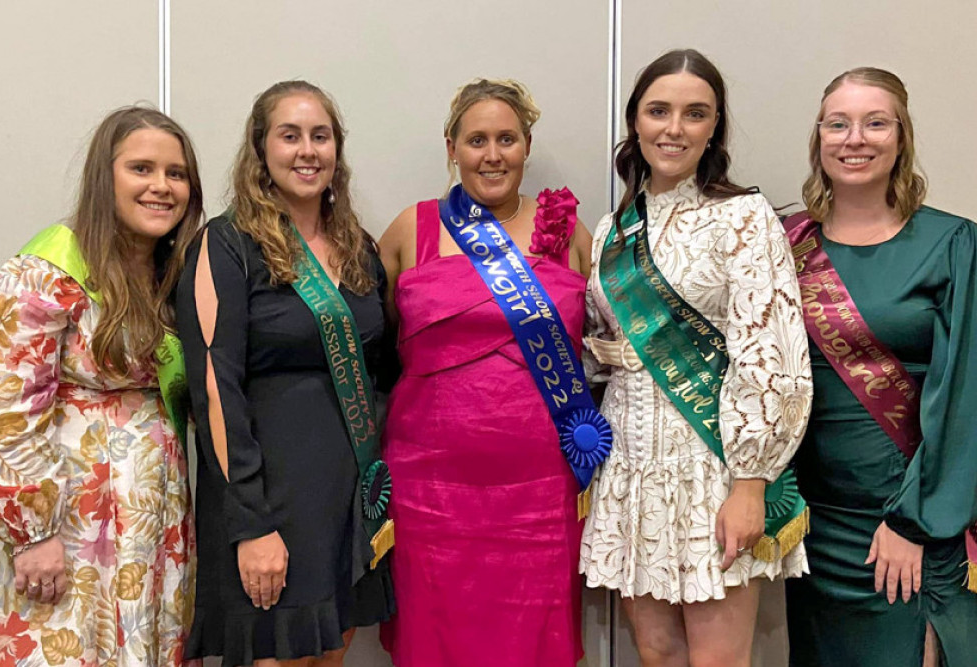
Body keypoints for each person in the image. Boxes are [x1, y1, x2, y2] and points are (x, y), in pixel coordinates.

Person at [579, 49, 813, 667]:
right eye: (659, 111)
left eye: (694, 113)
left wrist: (750, 482)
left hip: (713, 466)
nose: (673, 128)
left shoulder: (743, 218)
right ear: (635, 121)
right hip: (631, 463)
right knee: (656, 652)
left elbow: (773, 354)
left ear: (715, 128)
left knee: (717, 659)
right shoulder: (613, 230)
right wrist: (602, 353)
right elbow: (601, 345)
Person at [378, 78, 596, 667]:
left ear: (527, 146)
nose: (492, 155)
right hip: (430, 489)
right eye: (477, 140)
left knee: (535, 639)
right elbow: (373, 351)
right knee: (436, 640)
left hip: (541, 489)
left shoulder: (569, 233)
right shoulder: (410, 230)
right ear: (451, 147)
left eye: (507, 139)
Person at [176, 80, 395, 667]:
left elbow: (384, 368)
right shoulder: (224, 246)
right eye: (290, 135)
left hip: (346, 501)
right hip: (269, 503)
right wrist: (251, 525)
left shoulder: (358, 248)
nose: (307, 151)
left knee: (331, 656)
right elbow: (215, 391)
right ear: (261, 149)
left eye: (320, 136)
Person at [0, 106, 203, 665]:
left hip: (151, 518)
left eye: (176, 174)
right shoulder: (47, 268)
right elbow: (3, 407)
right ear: (106, 178)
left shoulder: (172, 272)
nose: (161, 187)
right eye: (142, 169)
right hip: (69, 523)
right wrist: (31, 531)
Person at [783, 67, 977, 667]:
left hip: (909, 521)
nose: (855, 138)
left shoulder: (953, 243)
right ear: (819, 138)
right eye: (837, 124)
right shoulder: (788, 244)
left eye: (875, 123)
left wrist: (915, 523)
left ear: (901, 138)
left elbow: (967, 395)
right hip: (815, 530)